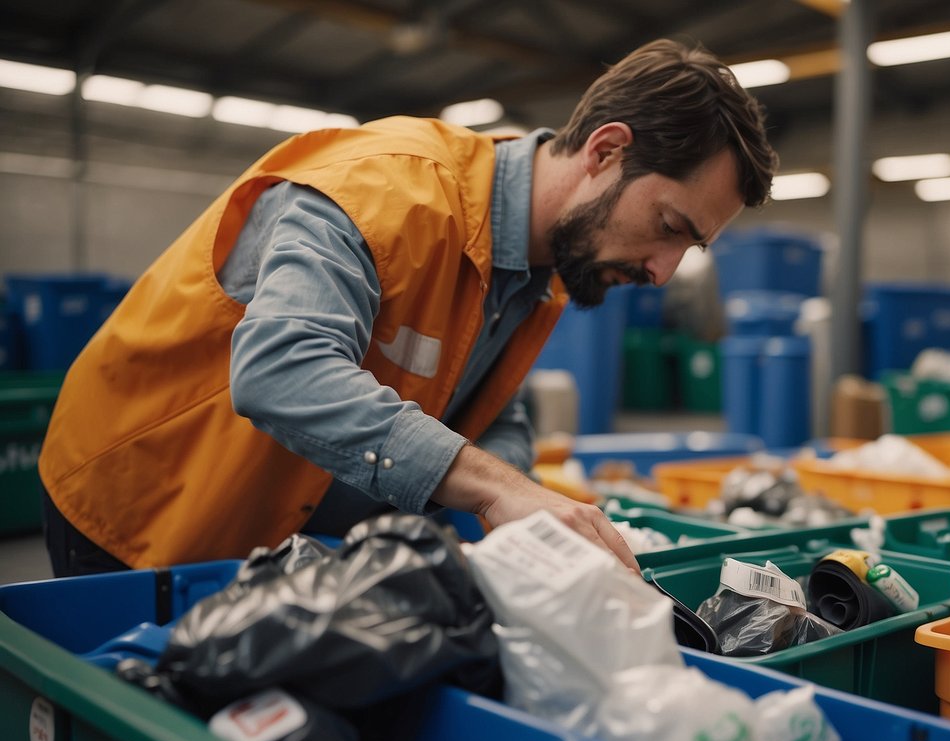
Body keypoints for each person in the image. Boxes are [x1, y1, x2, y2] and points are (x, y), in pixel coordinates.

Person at [38, 38, 778, 577]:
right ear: (606, 151)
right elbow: (280, 372)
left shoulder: (541, 264)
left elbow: (495, 407)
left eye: (690, 250)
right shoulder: (384, 192)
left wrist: (519, 523)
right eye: (670, 228)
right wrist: (498, 488)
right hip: (142, 507)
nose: (661, 272)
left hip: (274, 542)